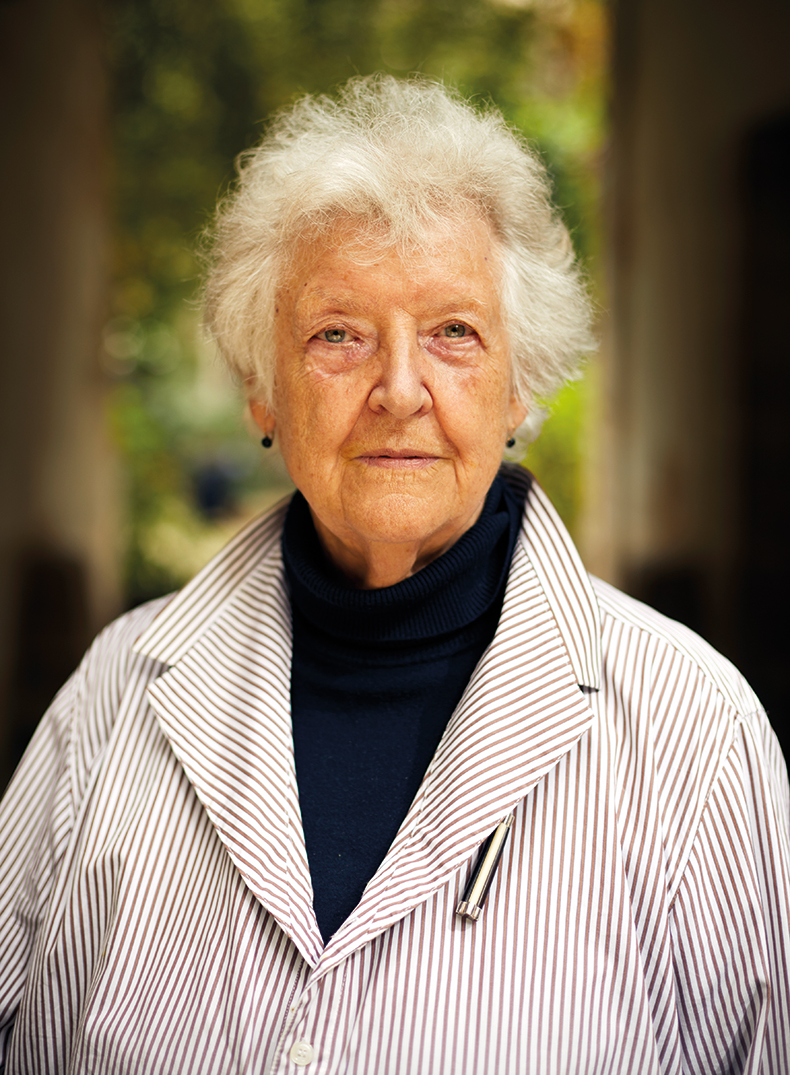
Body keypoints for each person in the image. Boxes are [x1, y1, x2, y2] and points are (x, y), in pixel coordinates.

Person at [1, 75, 788, 1075]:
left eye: (454, 332)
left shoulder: (691, 727)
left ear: (518, 385)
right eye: (338, 334)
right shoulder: (117, 696)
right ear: (260, 388)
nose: (401, 390)